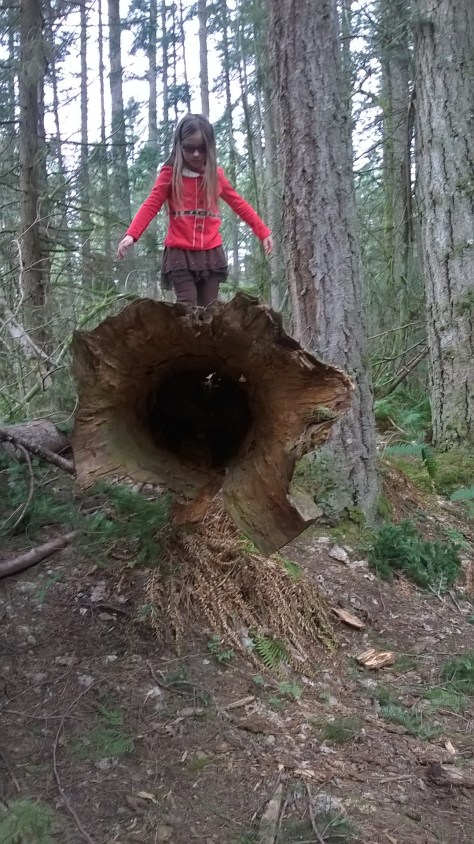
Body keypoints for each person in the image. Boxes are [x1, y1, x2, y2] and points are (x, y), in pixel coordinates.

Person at [116, 113, 273, 307]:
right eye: (189, 148)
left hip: (211, 253)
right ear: (179, 146)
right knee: (186, 307)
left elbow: (239, 203)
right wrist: (132, 235)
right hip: (179, 254)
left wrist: (263, 231)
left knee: (210, 309)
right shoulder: (170, 175)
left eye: (202, 148)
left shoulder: (216, 176)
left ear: (210, 147)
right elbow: (151, 204)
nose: (196, 154)